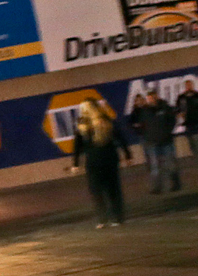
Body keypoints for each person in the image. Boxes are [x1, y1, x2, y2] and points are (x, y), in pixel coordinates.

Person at [70, 100, 131, 228]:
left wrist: (76, 164)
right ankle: (112, 218)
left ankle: (107, 218)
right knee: (108, 189)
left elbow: (77, 146)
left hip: (98, 161)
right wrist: (127, 155)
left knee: (101, 190)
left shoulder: (90, 124)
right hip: (105, 160)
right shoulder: (99, 121)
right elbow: (120, 138)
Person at [127, 91, 180, 193]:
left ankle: (175, 184)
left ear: (156, 97)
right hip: (152, 142)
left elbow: (172, 120)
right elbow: (139, 124)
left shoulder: (165, 108)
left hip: (166, 141)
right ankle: (157, 187)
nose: (150, 100)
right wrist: (145, 135)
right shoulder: (145, 111)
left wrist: (167, 132)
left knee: (170, 164)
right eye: (149, 98)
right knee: (155, 166)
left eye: (152, 98)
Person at [175, 83, 198, 176]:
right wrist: (180, 115)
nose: (189, 87)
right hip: (188, 125)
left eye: (190, 85)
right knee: (193, 145)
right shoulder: (182, 98)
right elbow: (177, 109)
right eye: (187, 86)